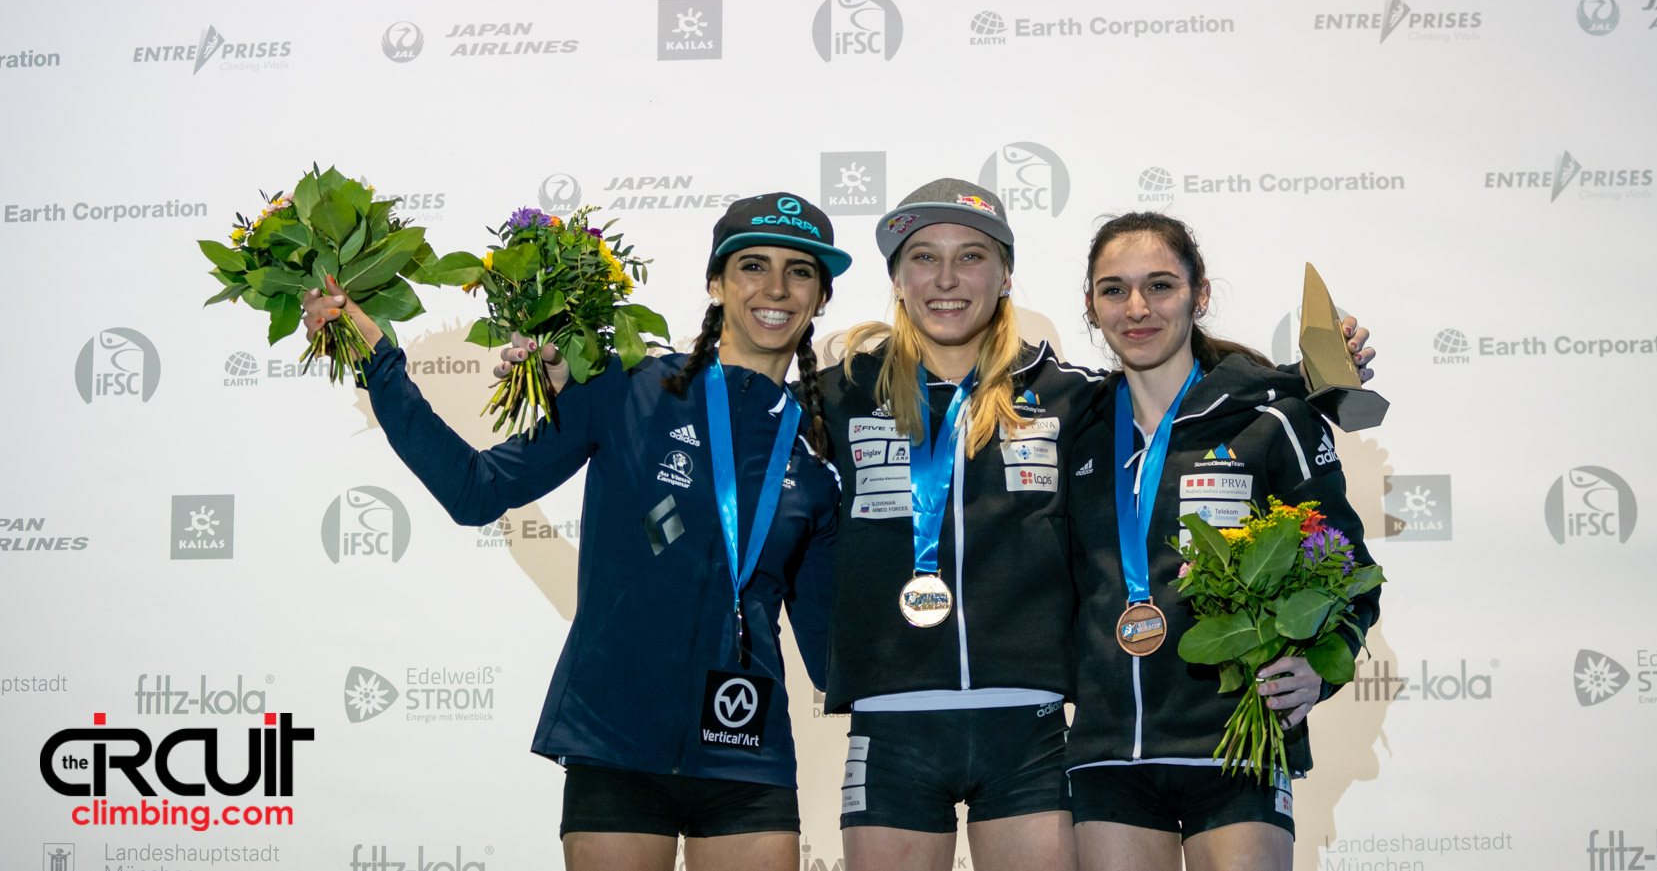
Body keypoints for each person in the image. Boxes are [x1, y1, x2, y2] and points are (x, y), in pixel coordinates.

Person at [817, 182, 1375, 871]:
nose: (947, 278)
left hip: (1075, 732)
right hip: (1015, 739)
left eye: (971, 255)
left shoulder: (1061, 395)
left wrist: (1315, 373)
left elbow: (1211, 399)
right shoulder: (840, 392)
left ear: (1006, 274)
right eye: (924, 257)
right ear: (896, 278)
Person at [302, 193, 850, 871]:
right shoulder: (628, 385)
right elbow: (476, 491)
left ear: (822, 294)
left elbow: (837, 652)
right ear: (716, 281)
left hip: (747, 746)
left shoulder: (819, 456)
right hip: (614, 743)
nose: (775, 288)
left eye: (800, 271)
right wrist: (381, 364)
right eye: (753, 266)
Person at [1064, 212, 1381, 871]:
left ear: (1199, 294)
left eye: (1161, 285)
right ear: (1092, 307)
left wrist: (1317, 670)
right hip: (1108, 751)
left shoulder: (1269, 418)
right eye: (1114, 289)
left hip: (1237, 744)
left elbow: (1352, 573)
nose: (1138, 307)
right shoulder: (1073, 429)